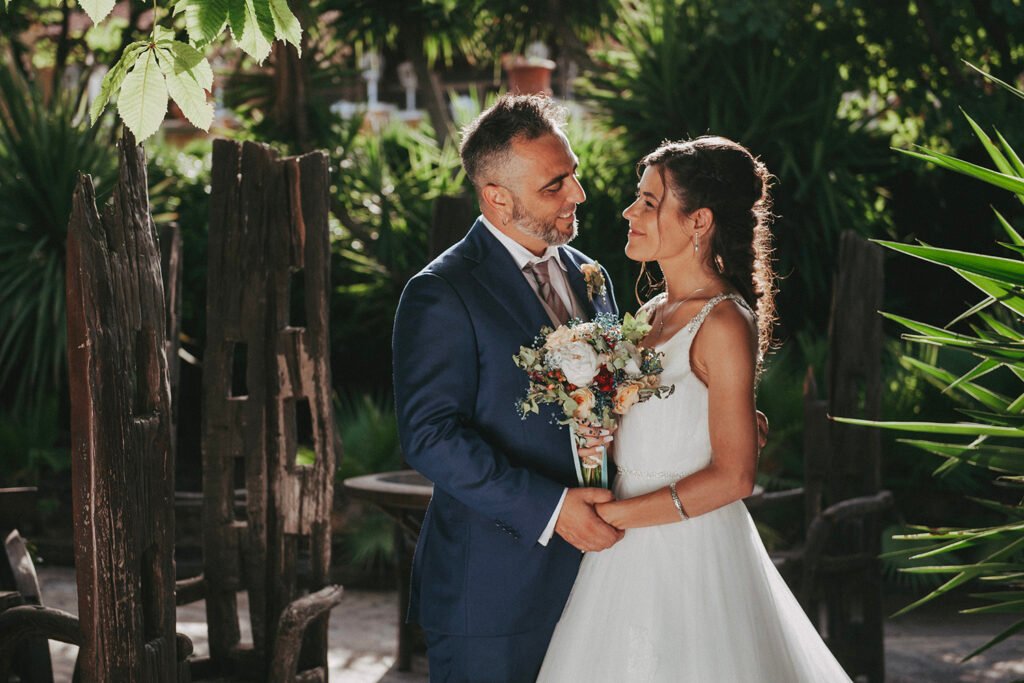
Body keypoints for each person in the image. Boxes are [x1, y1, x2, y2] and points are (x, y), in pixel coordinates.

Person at [537, 136, 853, 682]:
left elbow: (735, 476)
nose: (629, 212)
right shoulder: (654, 310)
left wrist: (613, 517)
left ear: (699, 221)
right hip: (620, 556)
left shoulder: (724, 323)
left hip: (686, 555)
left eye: (650, 202)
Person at [392, 94, 624, 682]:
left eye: (573, 174)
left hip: (606, 577)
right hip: (493, 592)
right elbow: (429, 436)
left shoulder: (591, 275)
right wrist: (553, 510)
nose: (578, 194)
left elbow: (619, 395)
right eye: (555, 185)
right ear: (497, 196)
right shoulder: (441, 292)